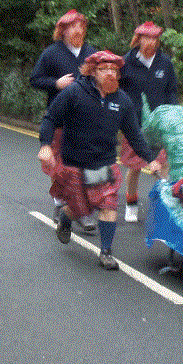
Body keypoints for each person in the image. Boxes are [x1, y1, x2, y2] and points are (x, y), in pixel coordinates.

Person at [37, 50, 157, 270]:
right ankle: (66, 216)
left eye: (114, 70)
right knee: (81, 209)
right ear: (92, 71)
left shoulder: (122, 101)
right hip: (75, 163)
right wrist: (45, 145)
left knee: (108, 204)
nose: (110, 73)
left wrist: (150, 159)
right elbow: (50, 118)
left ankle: (106, 252)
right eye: (104, 69)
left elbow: (134, 135)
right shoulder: (74, 92)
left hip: (104, 163)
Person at [31, 9, 100, 234]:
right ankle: (62, 204)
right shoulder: (51, 53)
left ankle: (77, 209)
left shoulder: (92, 53)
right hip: (59, 119)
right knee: (59, 167)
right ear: (63, 30)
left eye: (81, 26)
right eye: (72, 27)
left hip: (85, 121)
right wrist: (56, 83)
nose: (78, 30)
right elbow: (35, 79)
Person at [119, 20, 176, 222]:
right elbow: (117, 90)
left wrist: (172, 114)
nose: (150, 42)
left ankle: (164, 205)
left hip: (159, 124)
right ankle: (131, 202)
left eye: (154, 38)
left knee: (162, 165)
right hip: (134, 123)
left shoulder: (165, 63)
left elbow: (171, 91)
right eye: (146, 38)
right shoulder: (126, 62)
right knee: (134, 167)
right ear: (138, 39)